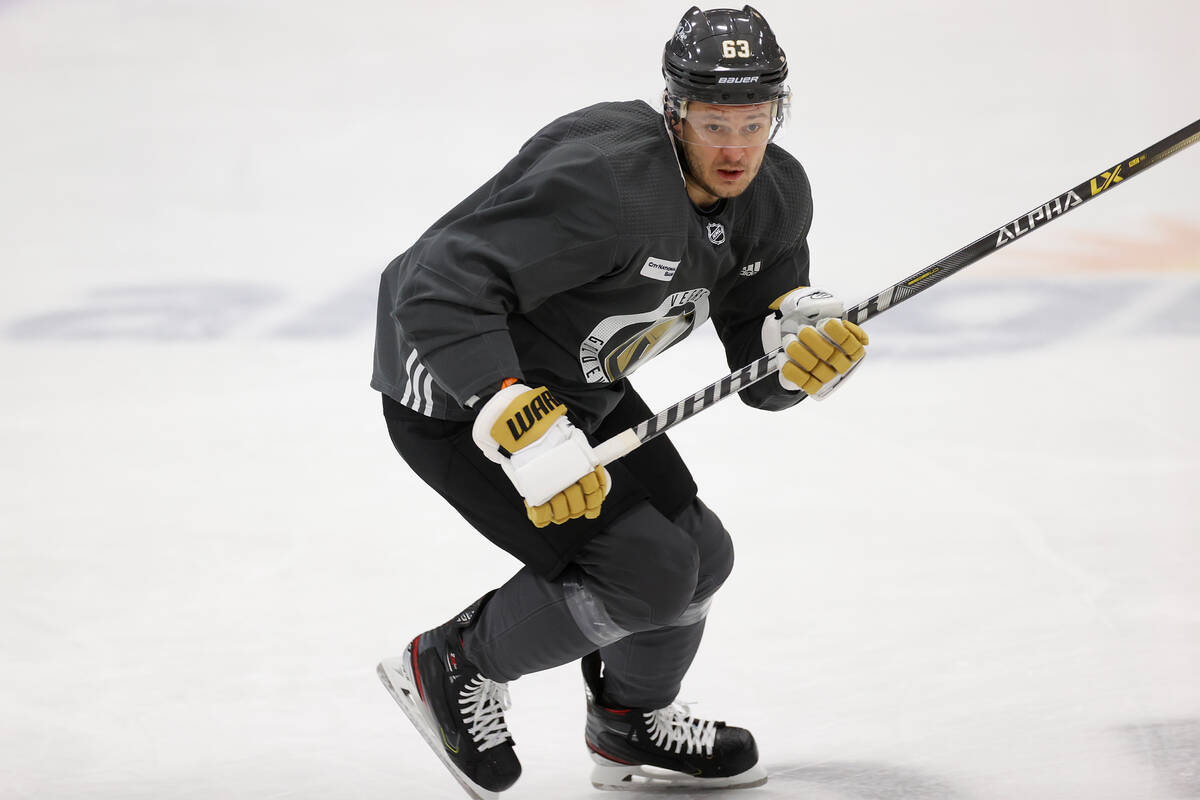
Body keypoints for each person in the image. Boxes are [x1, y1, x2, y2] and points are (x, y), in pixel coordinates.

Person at [371, 5, 869, 797]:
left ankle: (629, 722)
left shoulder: (775, 195)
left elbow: (757, 366)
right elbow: (437, 286)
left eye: (755, 120)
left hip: (577, 379)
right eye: (714, 122)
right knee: (646, 575)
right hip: (453, 384)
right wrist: (515, 415)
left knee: (702, 556)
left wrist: (795, 362)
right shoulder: (609, 184)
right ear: (675, 111)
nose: (737, 146)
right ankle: (451, 662)